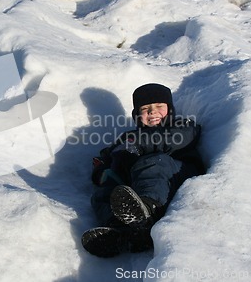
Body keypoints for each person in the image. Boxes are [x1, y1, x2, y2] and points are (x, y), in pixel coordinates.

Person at [81, 83, 205, 257]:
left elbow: (175, 139)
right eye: (145, 109)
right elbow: (107, 155)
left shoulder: (182, 126)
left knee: (153, 162)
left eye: (159, 107)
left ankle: (146, 211)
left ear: (170, 110)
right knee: (102, 195)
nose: (152, 112)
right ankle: (120, 230)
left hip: (174, 175)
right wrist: (102, 169)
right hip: (137, 185)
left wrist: (139, 145)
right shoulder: (127, 137)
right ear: (137, 115)